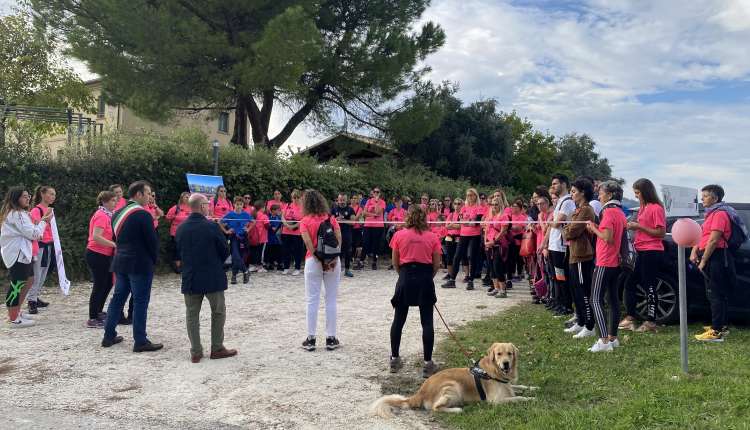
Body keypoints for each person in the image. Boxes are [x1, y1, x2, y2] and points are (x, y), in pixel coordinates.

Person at [101, 181, 162, 353]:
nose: (150, 197)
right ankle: (140, 340)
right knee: (140, 302)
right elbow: (152, 242)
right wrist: (154, 260)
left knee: (118, 299)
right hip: (140, 264)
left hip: (121, 261)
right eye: (148, 193)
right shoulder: (143, 215)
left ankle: (108, 335)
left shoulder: (117, 213)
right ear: (138, 194)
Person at [176, 193, 237, 363]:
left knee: (191, 315)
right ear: (202, 206)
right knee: (218, 312)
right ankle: (217, 347)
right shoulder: (211, 226)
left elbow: (177, 252)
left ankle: (196, 351)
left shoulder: (181, 228)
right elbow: (225, 250)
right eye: (207, 204)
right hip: (212, 276)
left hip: (190, 276)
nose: (209, 206)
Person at [388, 205, 441, 378]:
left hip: (405, 276)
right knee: (427, 322)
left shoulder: (399, 235)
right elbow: (436, 264)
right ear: (424, 218)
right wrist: (427, 277)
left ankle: (394, 359)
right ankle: (427, 363)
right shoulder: (433, 237)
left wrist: (403, 275)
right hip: (425, 277)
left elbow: (395, 261)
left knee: (398, 320)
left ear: (408, 217)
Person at [691, 184, 738, 342]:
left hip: (716, 256)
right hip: (712, 255)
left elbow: (713, 240)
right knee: (716, 293)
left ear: (715, 198)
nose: (702, 198)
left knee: (715, 294)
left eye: (705, 196)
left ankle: (716, 332)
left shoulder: (720, 214)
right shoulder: (711, 214)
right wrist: (694, 250)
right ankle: (721, 325)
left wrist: (703, 260)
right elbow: (703, 235)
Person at [1, 187, 52, 328]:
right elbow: (33, 234)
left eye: (28, 196)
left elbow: (30, 230)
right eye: (24, 196)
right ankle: (13, 318)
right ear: (16, 198)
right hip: (17, 254)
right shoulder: (16, 214)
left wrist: (39, 223)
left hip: (23, 253)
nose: (28, 198)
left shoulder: (21, 213)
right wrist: (44, 221)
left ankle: (16, 311)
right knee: (17, 284)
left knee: (29, 280)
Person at [586, 181, 627, 352]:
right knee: (613, 300)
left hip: (604, 261)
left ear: (610, 195)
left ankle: (603, 341)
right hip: (615, 262)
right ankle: (613, 337)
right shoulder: (620, 212)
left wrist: (593, 229)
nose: (599, 195)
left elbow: (608, 237)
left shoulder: (608, 212)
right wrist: (597, 227)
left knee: (595, 299)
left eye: (601, 193)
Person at [299, 189, 342, 351]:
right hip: (333, 261)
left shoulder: (305, 221)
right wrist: (332, 260)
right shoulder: (330, 219)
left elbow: (309, 244)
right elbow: (339, 239)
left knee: (312, 300)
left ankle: (311, 339)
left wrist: (319, 259)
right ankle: (331, 338)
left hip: (313, 261)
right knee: (331, 300)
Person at [621, 178, 666, 333]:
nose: (636, 196)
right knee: (630, 283)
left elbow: (660, 233)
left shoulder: (656, 208)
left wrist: (639, 226)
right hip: (640, 250)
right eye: (635, 193)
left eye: (638, 192)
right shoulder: (642, 207)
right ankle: (630, 317)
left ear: (646, 192)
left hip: (652, 251)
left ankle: (651, 321)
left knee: (649, 285)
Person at [562, 179, 597, 339]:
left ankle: (590, 325)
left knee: (584, 291)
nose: (571, 194)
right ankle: (581, 321)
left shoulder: (586, 210)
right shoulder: (577, 210)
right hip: (574, 254)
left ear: (583, 192)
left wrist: (566, 228)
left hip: (583, 255)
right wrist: (567, 228)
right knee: (575, 289)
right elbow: (568, 228)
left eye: (574, 191)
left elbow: (571, 231)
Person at [85, 191, 117, 328]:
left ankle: (98, 311)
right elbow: (96, 236)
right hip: (96, 253)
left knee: (108, 282)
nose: (115, 203)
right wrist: (114, 244)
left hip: (105, 254)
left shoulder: (108, 215)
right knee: (99, 285)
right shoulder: (101, 216)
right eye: (113, 200)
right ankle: (92, 317)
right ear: (104, 202)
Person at [442, 188, 483, 290]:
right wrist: (469, 221)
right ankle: (452, 280)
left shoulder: (479, 207)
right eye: (468, 195)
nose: (470, 197)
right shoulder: (464, 207)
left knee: (472, 257)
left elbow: (477, 222)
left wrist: (468, 221)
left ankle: (471, 281)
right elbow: (461, 220)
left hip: (475, 235)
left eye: (472, 195)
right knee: (457, 256)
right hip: (464, 234)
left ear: (475, 196)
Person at [548, 174, 576, 316]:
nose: (553, 186)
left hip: (561, 246)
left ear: (564, 184)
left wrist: (549, 222)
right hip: (554, 245)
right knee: (556, 276)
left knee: (562, 276)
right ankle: (560, 302)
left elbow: (557, 222)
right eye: (552, 184)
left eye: (555, 183)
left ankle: (567, 305)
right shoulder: (559, 201)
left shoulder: (568, 202)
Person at [27, 185, 56, 313]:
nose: (53, 197)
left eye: (54, 195)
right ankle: (31, 301)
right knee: (37, 273)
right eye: (50, 194)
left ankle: (35, 296)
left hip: (49, 244)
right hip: (40, 246)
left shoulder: (50, 210)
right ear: (43, 194)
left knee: (44, 273)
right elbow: (34, 228)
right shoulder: (36, 210)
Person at [220, 196, 254, 284]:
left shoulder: (245, 214)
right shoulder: (230, 214)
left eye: (241, 204)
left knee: (240, 257)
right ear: (234, 204)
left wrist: (248, 229)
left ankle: (234, 276)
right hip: (234, 237)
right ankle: (245, 271)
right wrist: (226, 231)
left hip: (243, 238)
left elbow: (253, 222)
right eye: (237, 204)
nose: (239, 206)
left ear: (243, 205)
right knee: (235, 255)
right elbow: (220, 222)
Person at [485, 196, 510, 298]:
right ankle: (496, 288)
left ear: (500, 205)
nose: (494, 206)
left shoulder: (503, 216)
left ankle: (503, 290)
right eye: (492, 204)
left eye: (496, 204)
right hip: (489, 245)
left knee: (497, 266)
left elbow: (503, 231)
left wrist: (493, 241)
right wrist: (486, 242)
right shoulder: (490, 217)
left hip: (498, 245)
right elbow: (486, 230)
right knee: (491, 267)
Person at [331, 193, 356, 277]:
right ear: (338, 200)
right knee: (337, 251)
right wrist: (335, 219)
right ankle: (336, 269)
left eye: (343, 200)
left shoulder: (350, 209)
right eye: (340, 200)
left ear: (346, 200)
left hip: (347, 234)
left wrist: (343, 220)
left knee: (348, 251)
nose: (342, 202)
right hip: (336, 234)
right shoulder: (334, 209)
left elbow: (353, 222)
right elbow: (329, 221)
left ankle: (347, 270)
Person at [165, 192, 191, 273]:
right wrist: (175, 219)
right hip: (176, 232)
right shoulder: (176, 208)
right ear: (182, 198)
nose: (188, 198)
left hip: (188, 232)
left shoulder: (192, 208)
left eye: (189, 197)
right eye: (186, 197)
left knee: (187, 249)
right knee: (177, 250)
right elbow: (167, 218)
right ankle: (178, 266)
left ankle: (186, 265)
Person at [361, 187, 386, 270]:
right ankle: (361, 261)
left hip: (378, 226)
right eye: (374, 192)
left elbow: (378, 212)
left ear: (380, 193)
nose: (376, 193)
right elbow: (364, 213)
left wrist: (376, 202)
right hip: (368, 225)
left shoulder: (382, 202)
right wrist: (372, 215)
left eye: (377, 192)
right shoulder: (368, 201)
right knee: (365, 243)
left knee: (376, 245)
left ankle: (374, 262)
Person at [281, 189, 304, 275]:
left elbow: (303, 219)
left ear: (301, 198)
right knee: (286, 250)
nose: (296, 199)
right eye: (294, 197)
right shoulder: (287, 205)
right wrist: (286, 225)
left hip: (297, 232)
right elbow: (282, 217)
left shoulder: (303, 207)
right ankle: (286, 267)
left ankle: (297, 268)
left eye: (297, 197)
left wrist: (293, 226)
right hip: (286, 231)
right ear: (291, 198)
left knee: (297, 251)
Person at [443, 198, 463, 281]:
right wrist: (455, 225)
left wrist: (452, 225)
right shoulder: (451, 214)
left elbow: (461, 226)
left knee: (457, 257)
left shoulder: (462, 215)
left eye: (459, 204)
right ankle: (450, 274)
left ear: (462, 205)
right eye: (455, 203)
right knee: (449, 257)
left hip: (458, 237)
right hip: (449, 237)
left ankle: (454, 275)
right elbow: (446, 226)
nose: (457, 205)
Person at [249, 200, 270, 273]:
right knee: (261, 253)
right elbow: (267, 226)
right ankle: (260, 267)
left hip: (254, 238)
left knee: (254, 252)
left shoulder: (253, 215)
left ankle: (253, 266)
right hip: (262, 238)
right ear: (262, 208)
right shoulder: (264, 216)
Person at [265, 204, 284, 271]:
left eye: (278, 210)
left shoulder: (279, 218)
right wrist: (271, 227)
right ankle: (270, 264)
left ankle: (280, 264)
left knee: (278, 251)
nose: (278, 211)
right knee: (270, 251)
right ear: (272, 210)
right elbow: (267, 225)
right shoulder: (268, 218)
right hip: (270, 238)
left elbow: (280, 225)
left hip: (277, 238)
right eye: (276, 210)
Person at [351, 194, 365, 269]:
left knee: (358, 245)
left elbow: (356, 218)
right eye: (353, 198)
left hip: (357, 229)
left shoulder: (359, 208)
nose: (354, 199)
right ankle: (351, 259)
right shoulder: (349, 207)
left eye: (355, 198)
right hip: (349, 228)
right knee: (351, 244)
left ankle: (357, 260)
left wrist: (348, 219)